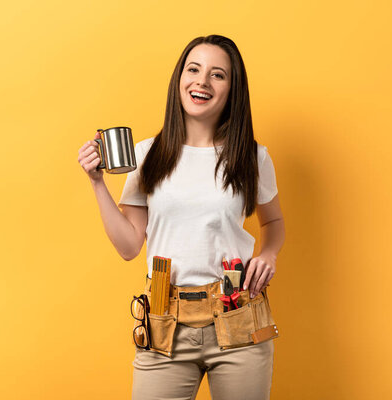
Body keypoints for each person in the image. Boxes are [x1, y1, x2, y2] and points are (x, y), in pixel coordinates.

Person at [77, 34, 285, 400]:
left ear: (232, 90)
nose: (202, 82)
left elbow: (274, 223)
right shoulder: (147, 155)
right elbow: (128, 246)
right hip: (163, 321)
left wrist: (268, 255)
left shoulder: (252, 156)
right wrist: (97, 183)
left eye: (217, 75)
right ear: (179, 79)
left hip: (238, 312)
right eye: (193, 69)